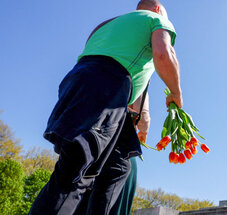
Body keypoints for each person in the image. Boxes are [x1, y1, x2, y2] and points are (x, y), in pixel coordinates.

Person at [29, 1, 183, 214]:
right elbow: (164, 54)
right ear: (157, 9)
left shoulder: (106, 25)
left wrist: (143, 122)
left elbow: (129, 80)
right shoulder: (157, 19)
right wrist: (176, 93)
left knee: (118, 166)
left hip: (82, 82)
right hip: (106, 86)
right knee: (76, 171)